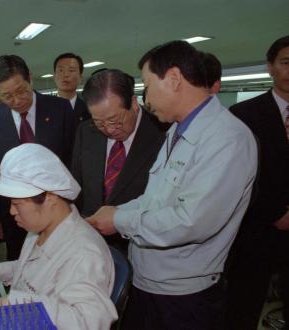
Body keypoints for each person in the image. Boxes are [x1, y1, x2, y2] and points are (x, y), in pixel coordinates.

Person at [87, 40, 258, 330]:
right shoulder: (177, 130)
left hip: (184, 296)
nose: (146, 98)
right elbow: (153, 198)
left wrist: (119, 219)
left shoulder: (227, 138)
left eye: (148, 85)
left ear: (174, 79)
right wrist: (114, 211)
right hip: (148, 281)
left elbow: (191, 222)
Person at [0, 143, 117, 330]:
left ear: (50, 197)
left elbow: (89, 321)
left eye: (17, 204)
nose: (12, 211)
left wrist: (23, 306)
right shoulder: (41, 228)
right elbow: (36, 269)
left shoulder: (85, 253)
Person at [0, 54, 76, 260]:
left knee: (60, 265)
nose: (17, 101)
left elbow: (72, 160)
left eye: (21, 91)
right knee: (20, 263)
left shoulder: (60, 109)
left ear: (30, 78)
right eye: (7, 96)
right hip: (15, 215)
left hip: (57, 211)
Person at [226, 35, 289, 330]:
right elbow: (235, 178)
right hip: (255, 231)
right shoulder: (243, 115)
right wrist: (275, 213)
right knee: (242, 309)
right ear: (270, 67)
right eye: (286, 63)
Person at [71, 69, 166, 252]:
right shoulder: (86, 132)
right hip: (90, 241)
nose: (109, 129)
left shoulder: (161, 133)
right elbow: (77, 184)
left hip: (138, 246)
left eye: (115, 120)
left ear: (133, 103)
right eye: (100, 122)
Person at [53, 52, 91, 125]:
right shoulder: (43, 109)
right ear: (54, 77)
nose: (66, 75)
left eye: (71, 70)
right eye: (61, 70)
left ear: (80, 78)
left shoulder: (89, 110)